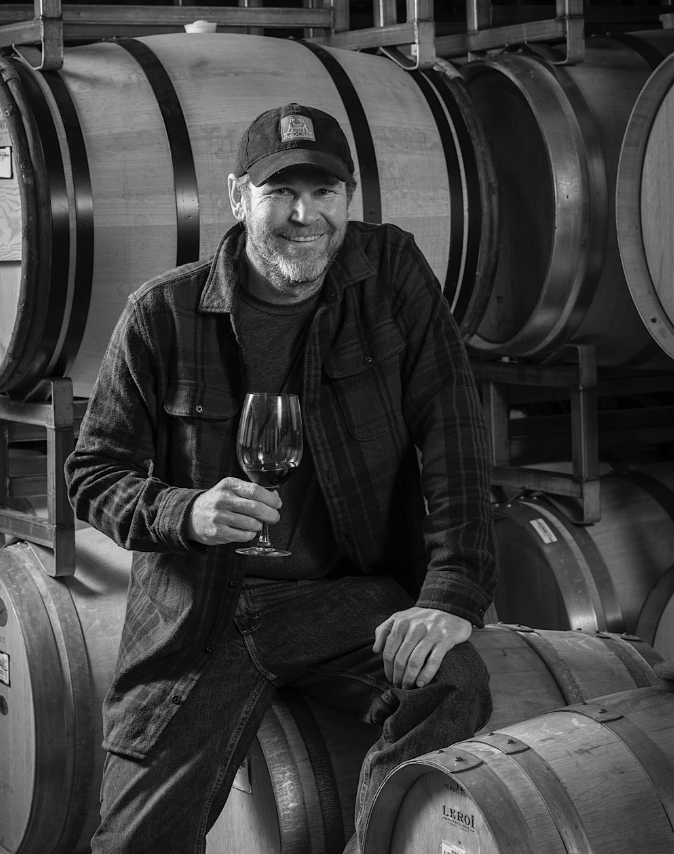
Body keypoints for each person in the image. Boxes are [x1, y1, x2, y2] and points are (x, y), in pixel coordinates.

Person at [65, 102, 499, 854]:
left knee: (451, 682)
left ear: (348, 196)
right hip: (204, 612)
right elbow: (91, 475)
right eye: (279, 194)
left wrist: (450, 593)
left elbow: (453, 435)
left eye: (323, 193)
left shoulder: (389, 272)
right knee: (132, 841)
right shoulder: (161, 313)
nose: (305, 216)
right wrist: (185, 511)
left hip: (346, 599)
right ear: (237, 198)